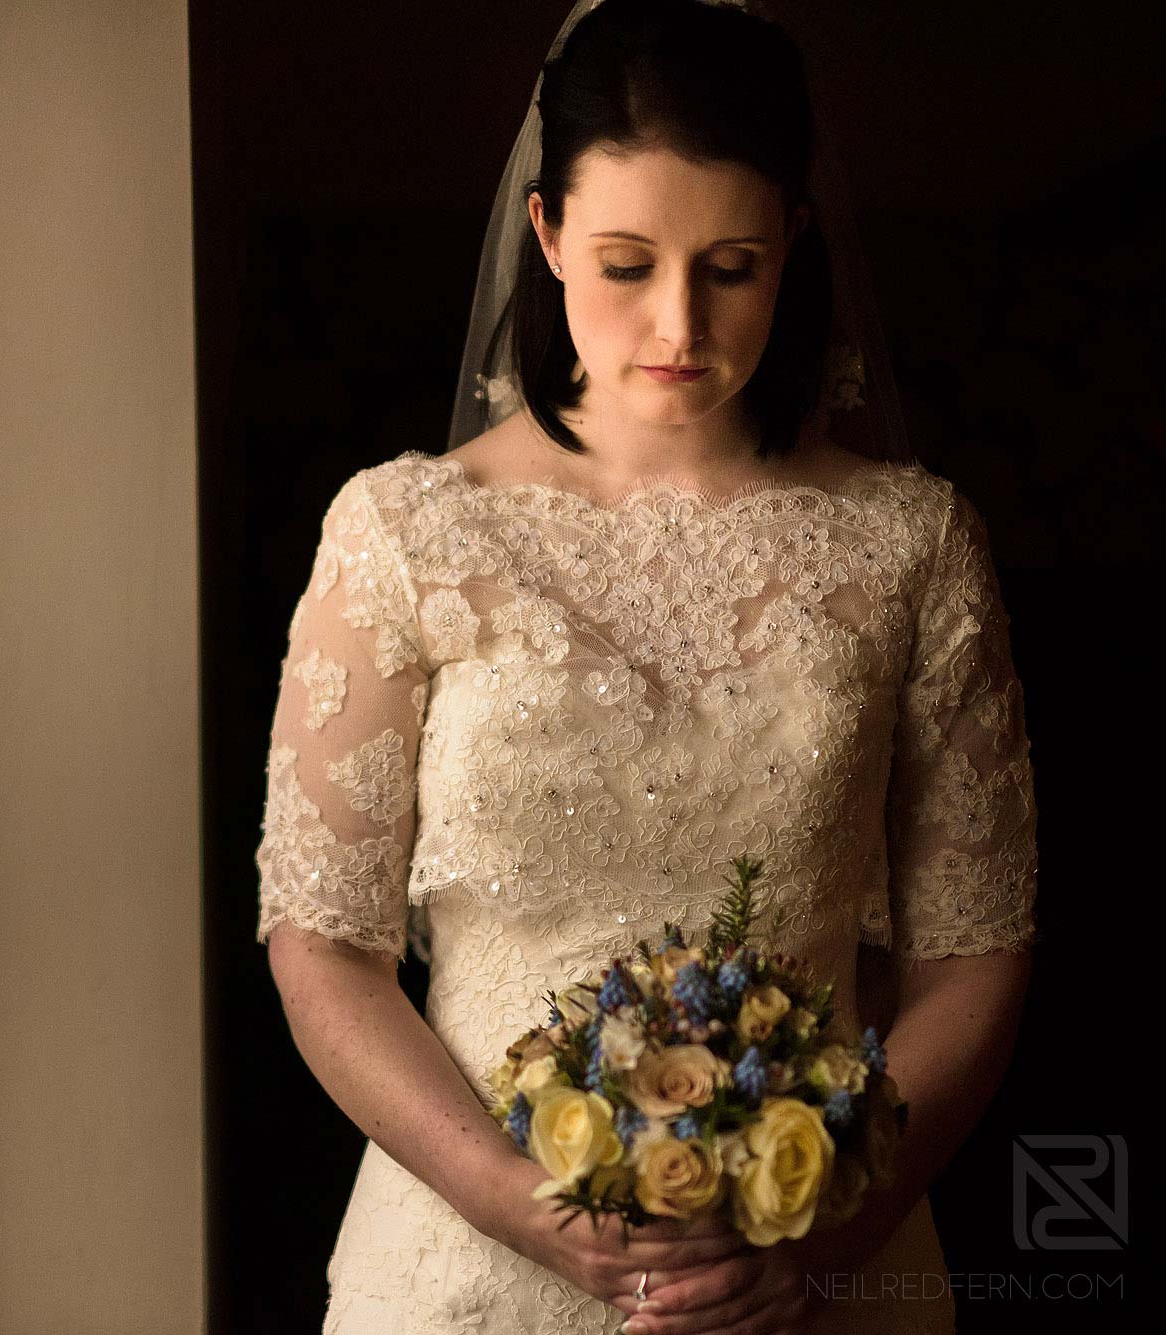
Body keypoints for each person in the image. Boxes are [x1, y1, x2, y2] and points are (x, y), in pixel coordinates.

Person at [253, 2, 1038, 1332]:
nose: (678, 322)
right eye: (626, 263)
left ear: (792, 235)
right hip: (467, 1268)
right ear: (548, 233)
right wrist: (522, 1208)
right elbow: (324, 944)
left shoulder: (913, 545)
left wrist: (829, 1234)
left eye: (729, 265)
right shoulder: (405, 535)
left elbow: (975, 952)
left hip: (810, 1274)